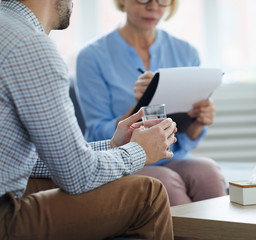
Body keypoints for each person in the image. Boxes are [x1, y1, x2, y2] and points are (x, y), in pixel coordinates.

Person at [0, 0, 178, 239]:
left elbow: (24, 161)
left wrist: (114, 146)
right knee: (149, 193)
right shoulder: (31, 46)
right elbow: (76, 175)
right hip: (5, 216)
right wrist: (139, 152)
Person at [76, 0, 226, 207]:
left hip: (173, 156)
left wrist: (200, 121)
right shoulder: (91, 57)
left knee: (208, 172)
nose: (153, 6)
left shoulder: (186, 52)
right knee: (164, 182)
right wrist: (140, 104)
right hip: (122, 161)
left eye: (162, 0)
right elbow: (96, 135)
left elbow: (188, 137)